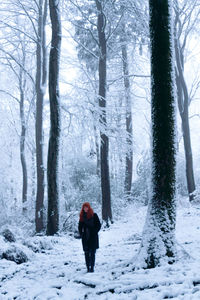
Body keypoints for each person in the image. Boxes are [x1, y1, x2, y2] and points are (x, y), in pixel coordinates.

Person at [78, 202, 101, 273]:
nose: (85, 208)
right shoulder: (82, 217)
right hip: (85, 237)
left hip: (93, 237)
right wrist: (81, 234)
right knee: (86, 253)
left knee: (93, 252)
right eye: (84, 207)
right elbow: (79, 226)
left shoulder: (94, 215)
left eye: (86, 207)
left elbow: (98, 225)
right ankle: (88, 267)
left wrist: (94, 231)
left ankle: (92, 267)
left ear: (89, 207)